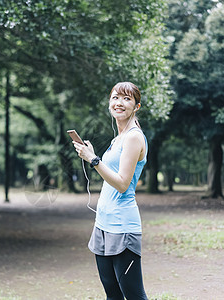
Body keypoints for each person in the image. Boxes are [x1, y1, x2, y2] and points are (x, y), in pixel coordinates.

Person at [72, 82, 148, 299]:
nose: (119, 103)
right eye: (115, 98)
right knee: (112, 295)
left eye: (127, 99)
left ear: (136, 106)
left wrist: (93, 159)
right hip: (103, 224)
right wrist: (93, 155)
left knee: (134, 295)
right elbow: (111, 174)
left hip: (123, 226)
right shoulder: (118, 138)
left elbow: (123, 183)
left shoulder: (134, 137)